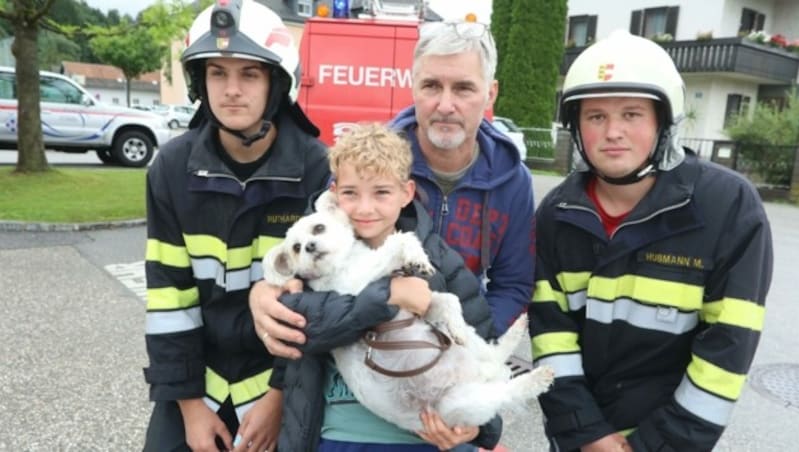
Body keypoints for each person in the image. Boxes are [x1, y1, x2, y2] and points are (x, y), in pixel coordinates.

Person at [529, 29, 773, 452]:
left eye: (631, 114)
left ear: (664, 121)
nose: (613, 132)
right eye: (596, 116)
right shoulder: (557, 214)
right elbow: (551, 335)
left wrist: (655, 446)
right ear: (576, 125)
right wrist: (588, 435)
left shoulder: (728, 207)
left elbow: (726, 352)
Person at [251, 18, 535, 365]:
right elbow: (310, 270)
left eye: (463, 88)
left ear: (490, 93)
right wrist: (265, 290)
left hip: (461, 354)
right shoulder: (370, 168)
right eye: (431, 86)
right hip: (368, 352)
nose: (445, 104)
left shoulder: (513, 181)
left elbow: (513, 285)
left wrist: (469, 355)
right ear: (413, 86)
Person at [141, 1, 330, 450]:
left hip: (278, 382)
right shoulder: (171, 168)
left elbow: (317, 303)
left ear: (276, 83)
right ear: (199, 83)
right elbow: (170, 296)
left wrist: (280, 397)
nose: (231, 90)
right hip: (196, 382)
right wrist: (189, 409)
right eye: (217, 73)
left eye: (249, 74)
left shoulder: (315, 169)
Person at [269, 123, 500, 451]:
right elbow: (301, 329)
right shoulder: (309, 261)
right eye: (351, 193)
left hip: (426, 436)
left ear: (406, 193)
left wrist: (478, 429)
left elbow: (481, 341)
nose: (365, 209)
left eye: (381, 192)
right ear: (334, 194)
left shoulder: (438, 259)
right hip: (341, 434)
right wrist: (389, 296)